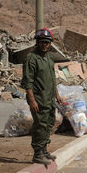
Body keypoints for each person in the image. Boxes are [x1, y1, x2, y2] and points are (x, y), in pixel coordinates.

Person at [21, 28, 62, 165]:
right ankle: (37, 153)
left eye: (47, 42)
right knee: (40, 125)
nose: (44, 44)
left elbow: (52, 78)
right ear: (37, 42)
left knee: (49, 123)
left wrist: (57, 95)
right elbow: (28, 81)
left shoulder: (50, 57)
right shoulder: (31, 58)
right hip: (39, 99)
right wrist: (32, 100)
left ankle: (44, 150)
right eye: (42, 42)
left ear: (50, 43)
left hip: (49, 98)